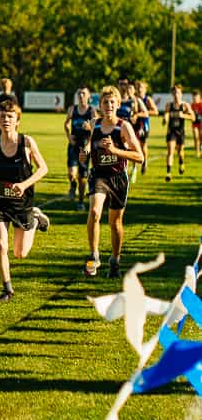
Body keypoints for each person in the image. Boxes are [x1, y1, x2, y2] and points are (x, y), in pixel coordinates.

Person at [0, 99, 49, 303]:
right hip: (1, 202)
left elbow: (43, 168)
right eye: (2, 116)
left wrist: (23, 185)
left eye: (10, 116)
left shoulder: (27, 142)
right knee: (0, 245)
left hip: (23, 203)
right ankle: (7, 289)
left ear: (17, 121)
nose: (5, 120)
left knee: (20, 253)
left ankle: (36, 219)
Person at [80, 85, 143, 278]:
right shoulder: (94, 124)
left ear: (118, 105)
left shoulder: (123, 127)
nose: (109, 106)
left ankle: (115, 260)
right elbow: (89, 144)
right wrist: (86, 152)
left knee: (115, 223)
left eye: (112, 102)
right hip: (99, 175)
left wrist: (115, 150)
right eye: (105, 102)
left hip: (118, 178)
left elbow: (140, 157)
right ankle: (94, 255)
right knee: (94, 211)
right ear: (100, 105)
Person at [63, 86, 97, 210]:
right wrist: (69, 137)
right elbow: (66, 124)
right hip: (73, 144)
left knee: (82, 176)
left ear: (88, 96)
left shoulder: (92, 111)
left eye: (83, 93)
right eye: (79, 93)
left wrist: (89, 142)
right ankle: (73, 185)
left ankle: (81, 202)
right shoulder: (72, 109)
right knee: (71, 173)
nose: (81, 95)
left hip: (85, 145)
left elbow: (96, 129)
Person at [163, 84, 194, 181]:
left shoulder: (185, 105)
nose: (176, 95)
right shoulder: (169, 105)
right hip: (171, 131)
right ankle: (168, 173)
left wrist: (183, 115)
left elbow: (193, 117)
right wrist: (165, 119)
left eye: (178, 93)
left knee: (180, 152)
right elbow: (166, 115)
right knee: (170, 151)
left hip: (180, 132)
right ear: (172, 94)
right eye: (175, 93)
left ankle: (181, 163)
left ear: (181, 94)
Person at [134, 80, 158, 174]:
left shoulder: (147, 99)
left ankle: (145, 161)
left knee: (143, 145)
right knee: (133, 144)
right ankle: (134, 165)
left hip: (144, 125)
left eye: (141, 87)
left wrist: (142, 113)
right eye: (138, 87)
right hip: (134, 123)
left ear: (145, 89)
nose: (139, 89)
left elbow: (155, 112)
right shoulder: (134, 98)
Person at [190, 89, 202, 159]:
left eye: (196, 97)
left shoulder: (201, 104)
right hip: (195, 123)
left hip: (201, 123)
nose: (194, 99)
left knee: (201, 136)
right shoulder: (192, 105)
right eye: (193, 97)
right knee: (196, 137)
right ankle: (197, 152)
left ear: (199, 97)